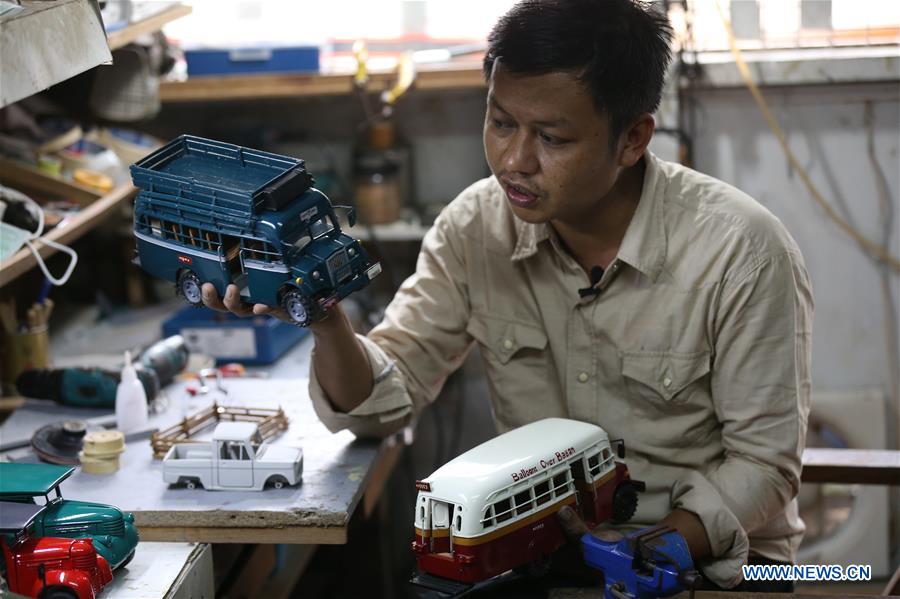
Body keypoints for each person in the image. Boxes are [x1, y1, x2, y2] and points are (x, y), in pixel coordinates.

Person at [202, 0, 812, 591]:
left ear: (632, 139)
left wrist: (657, 549)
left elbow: (763, 464)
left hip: (710, 568)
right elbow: (379, 403)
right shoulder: (475, 228)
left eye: (552, 138)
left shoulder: (742, 252)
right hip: (545, 561)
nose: (513, 161)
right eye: (500, 122)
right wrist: (326, 319)